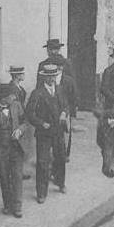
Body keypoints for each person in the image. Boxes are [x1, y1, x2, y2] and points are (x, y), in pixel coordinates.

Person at [26, 64, 68, 202]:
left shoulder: (60, 90)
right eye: (49, 77)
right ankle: (41, 193)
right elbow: (30, 114)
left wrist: (64, 113)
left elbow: (66, 106)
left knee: (61, 158)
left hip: (58, 131)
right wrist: (41, 123)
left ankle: (60, 183)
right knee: (42, 163)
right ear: (45, 77)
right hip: (44, 134)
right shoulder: (37, 93)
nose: (52, 79)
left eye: (54, 76)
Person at [0, 83, 26, 218]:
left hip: (15, 147)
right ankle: (7, 205)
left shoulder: (16, 106)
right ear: (3, 97)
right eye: (11, 95)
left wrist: (20, 130)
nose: (14, 97)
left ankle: (18, 206)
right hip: (0, 149)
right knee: (4, 178)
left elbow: (24, 121)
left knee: (17, 176)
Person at [8, 64, 33, 180]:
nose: (24, 75)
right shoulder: (11, 89)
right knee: (14, 146)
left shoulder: (19, 88)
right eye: (22, 73)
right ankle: (13, 173)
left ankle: (17, 171)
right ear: (17, 76)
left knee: (19, 146)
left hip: (21, 118)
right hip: (14, 119)